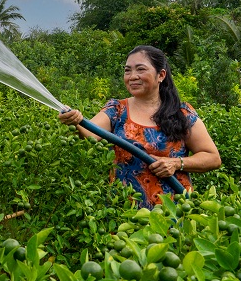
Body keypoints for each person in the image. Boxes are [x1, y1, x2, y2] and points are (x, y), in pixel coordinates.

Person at [58, 45, 221, 208]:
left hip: (174, 212)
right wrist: (75, 120)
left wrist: (176, 163)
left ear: (161, 75)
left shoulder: (182, 113)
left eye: (140, 69)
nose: (132, 76)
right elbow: (89, 133)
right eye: (127, 71)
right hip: (124, 211)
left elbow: (213, 157)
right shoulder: (117, 110)